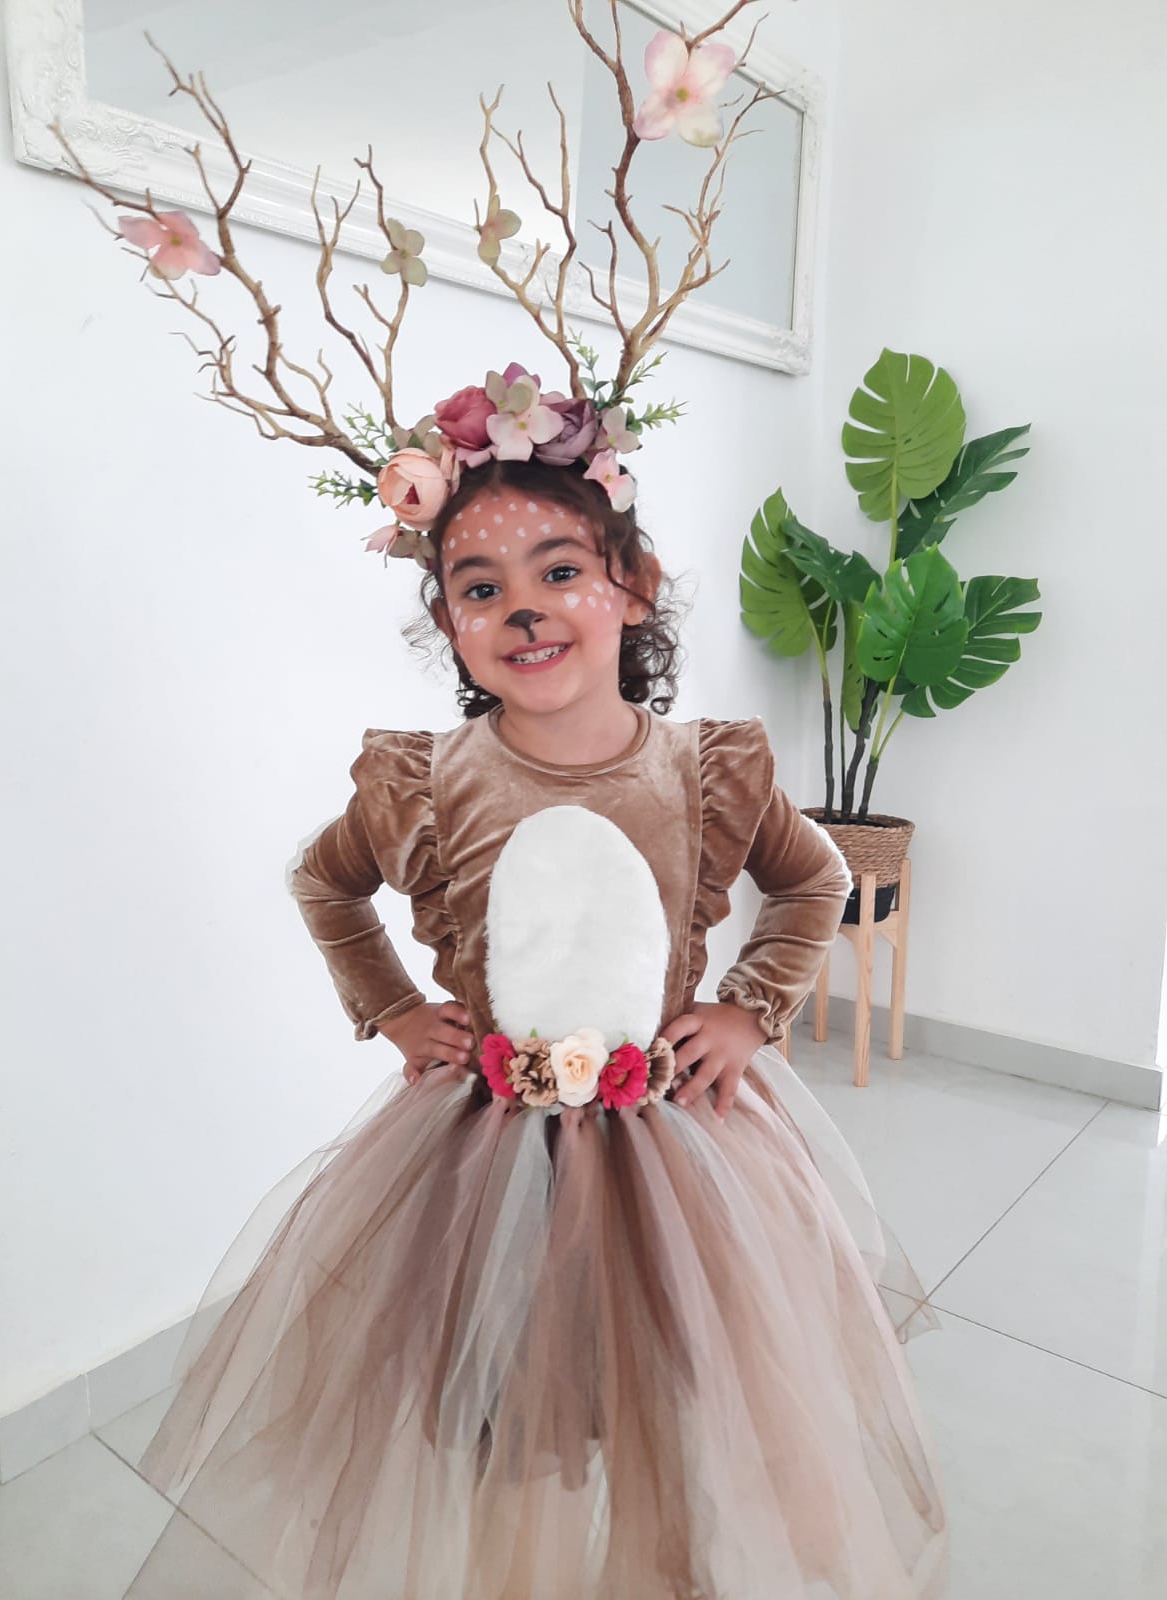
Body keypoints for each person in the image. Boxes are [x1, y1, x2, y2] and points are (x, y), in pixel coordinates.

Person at [124, 444, 949, 1600]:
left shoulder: (708, 771)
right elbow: (325, 883)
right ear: (449, 624)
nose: (522, 606)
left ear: (633, 587)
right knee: (515, 1419)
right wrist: (393, 1007)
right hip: (487, 1163)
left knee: (676, 1396)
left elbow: (815, 879)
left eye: (559, 570)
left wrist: (749, 1011)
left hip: (679, 1150)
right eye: (481, 586)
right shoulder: (424, 782)